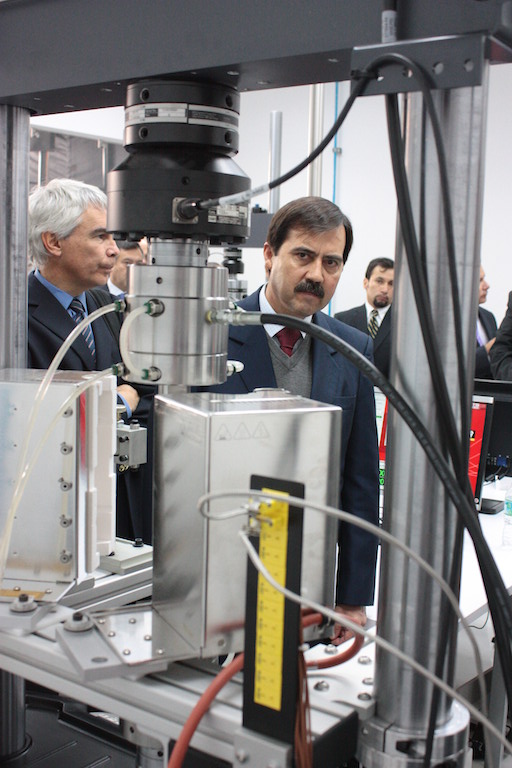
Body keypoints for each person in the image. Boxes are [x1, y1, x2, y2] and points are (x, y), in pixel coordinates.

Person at [202, 196, 379, 641]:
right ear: (269, 254)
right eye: (303, 255)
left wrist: (352, 597)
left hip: (310, 572)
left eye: (331, 262)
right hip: (216, 566)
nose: (316, 274)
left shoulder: (351, 347)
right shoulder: (210, 335)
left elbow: (359, 481)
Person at [27, 177, 153, 542]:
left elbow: (144, 384)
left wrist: (125, 397)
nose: (114, 250)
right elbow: (37, 418)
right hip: (52, 508)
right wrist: (116, 402)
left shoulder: (105, 305)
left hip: (116, 499)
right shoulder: (15, 317)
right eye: (100, 236)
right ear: (53, 242)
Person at [335, 257, 394, 378]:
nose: (385, 289)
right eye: (379, 281)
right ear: (366, 283)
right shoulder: (342, 320)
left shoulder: (402, 326)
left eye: (391, 284)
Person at [475, 266, 497, 379]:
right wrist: (489, 347)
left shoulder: (488, 317)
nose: (486, 286)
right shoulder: (450, 322)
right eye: (480, 281)